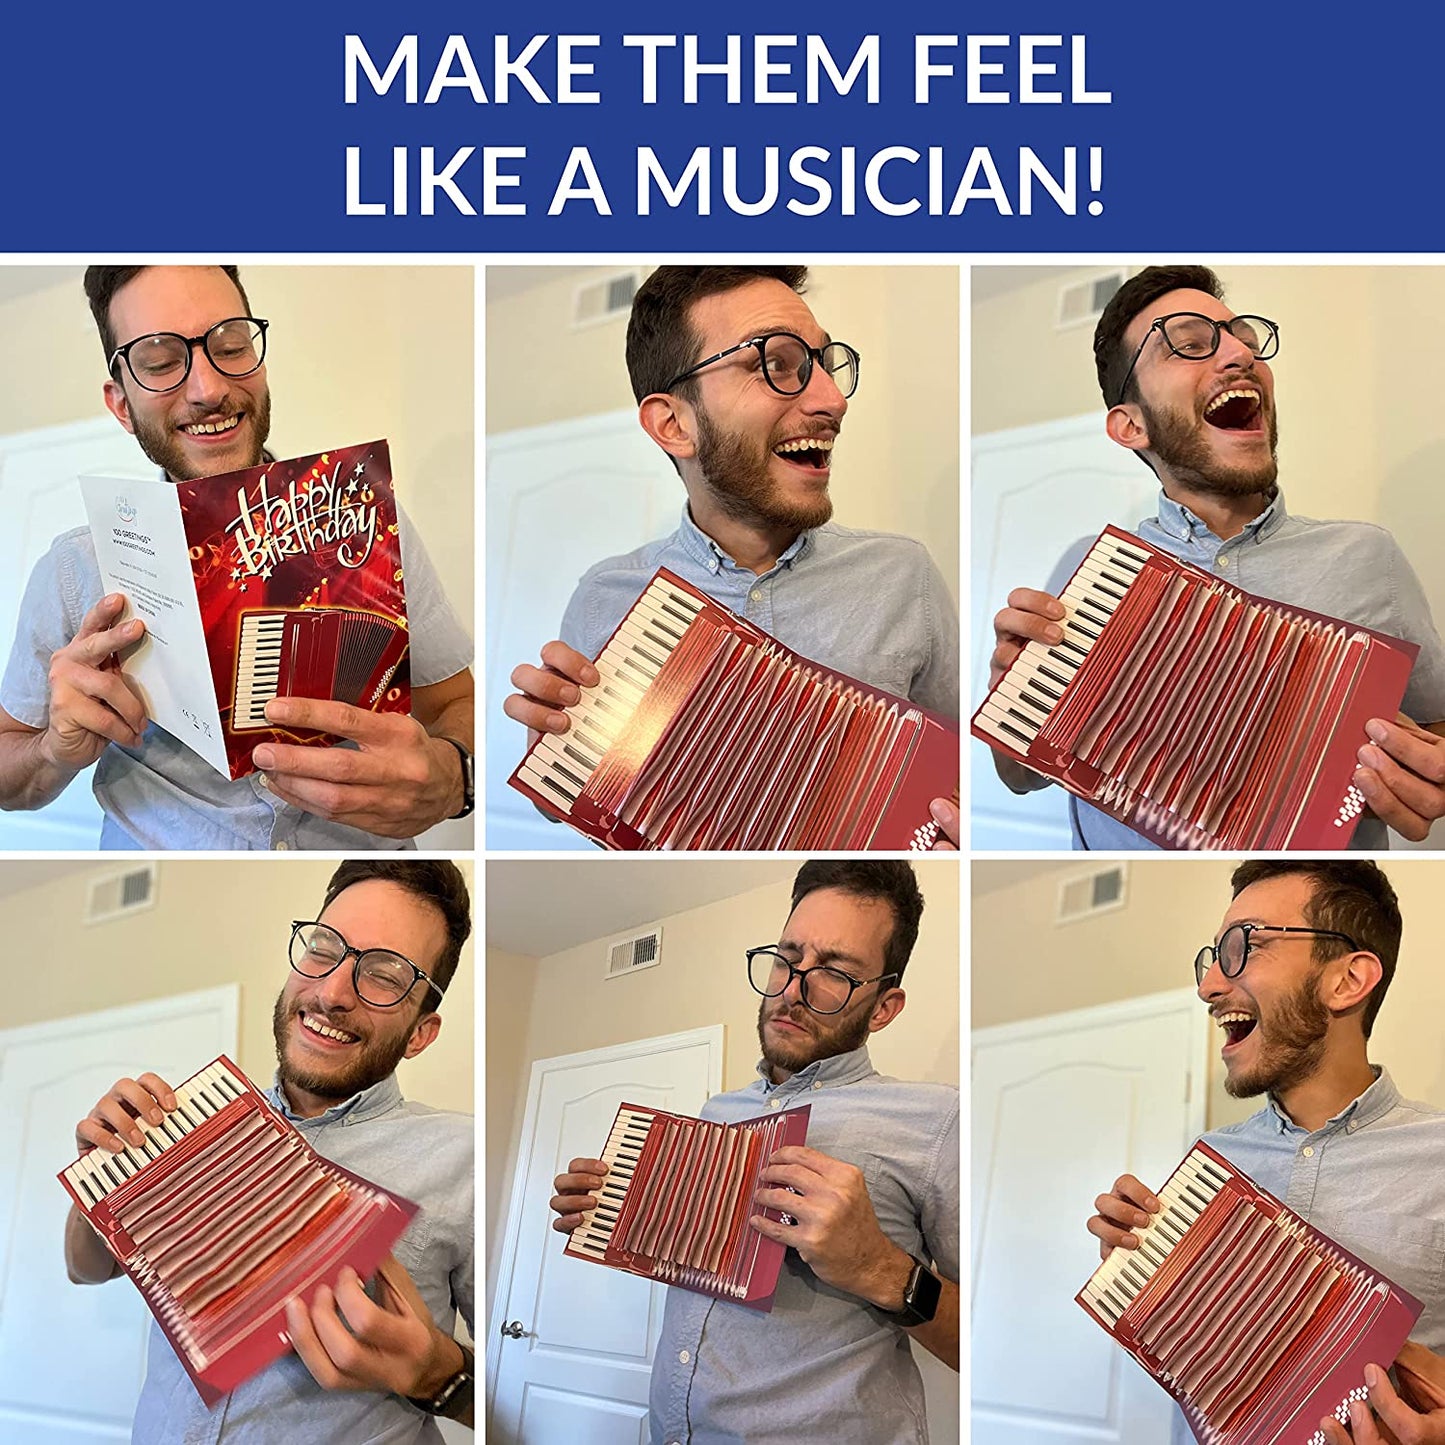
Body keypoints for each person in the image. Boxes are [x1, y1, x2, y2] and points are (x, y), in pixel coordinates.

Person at [0, 264, 475, 850]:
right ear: (121, 405)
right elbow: (8, 770)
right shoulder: (74, 570)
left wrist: (455, 776)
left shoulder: (373, 521)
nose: (209, 388)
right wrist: (52, 749)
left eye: (230, 345)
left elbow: (455, 702)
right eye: (160, 361)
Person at [985, 265, 1445, 849]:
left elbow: (1435, 725)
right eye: (1190, 344)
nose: (1238, 355)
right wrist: (1014, 705)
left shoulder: (1367, 557)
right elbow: (1020, 774)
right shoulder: (1088, 570)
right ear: (1131, 427)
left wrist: (1428, 773)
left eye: (1245, 340)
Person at [503, 265, 962, 847]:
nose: (833, 399)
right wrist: (558, 762)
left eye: (824, 363)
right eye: (775, 364)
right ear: (673, 424)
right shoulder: (606, 597)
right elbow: (580, 803)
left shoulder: (904, 576)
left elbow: (954, 776)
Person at [549, 858, 960, 1444]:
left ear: (885, 1007)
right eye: (786, 959)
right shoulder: (718, 1113)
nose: (792, 991)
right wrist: (612, 1211)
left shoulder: (940, 1121)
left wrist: (877, 1266)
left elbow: (986, 1345)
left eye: (835, 973)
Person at [65, 858, 475, 1441]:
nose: (333, 992)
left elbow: (508, 1394)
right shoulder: (187, 1120)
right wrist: (97, 1180)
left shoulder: (465, 1158)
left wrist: (442, 1375)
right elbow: (89, 1269)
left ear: (420, 1034)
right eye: (324, 948)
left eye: (385, 974)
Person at [1086, 860, 1445, 1443]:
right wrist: (1144, 1288)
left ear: (1348, 980)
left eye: (1242, 947)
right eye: (1213, 957)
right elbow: (1210, 1381)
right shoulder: (1208, 1164)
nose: (1208, 987)